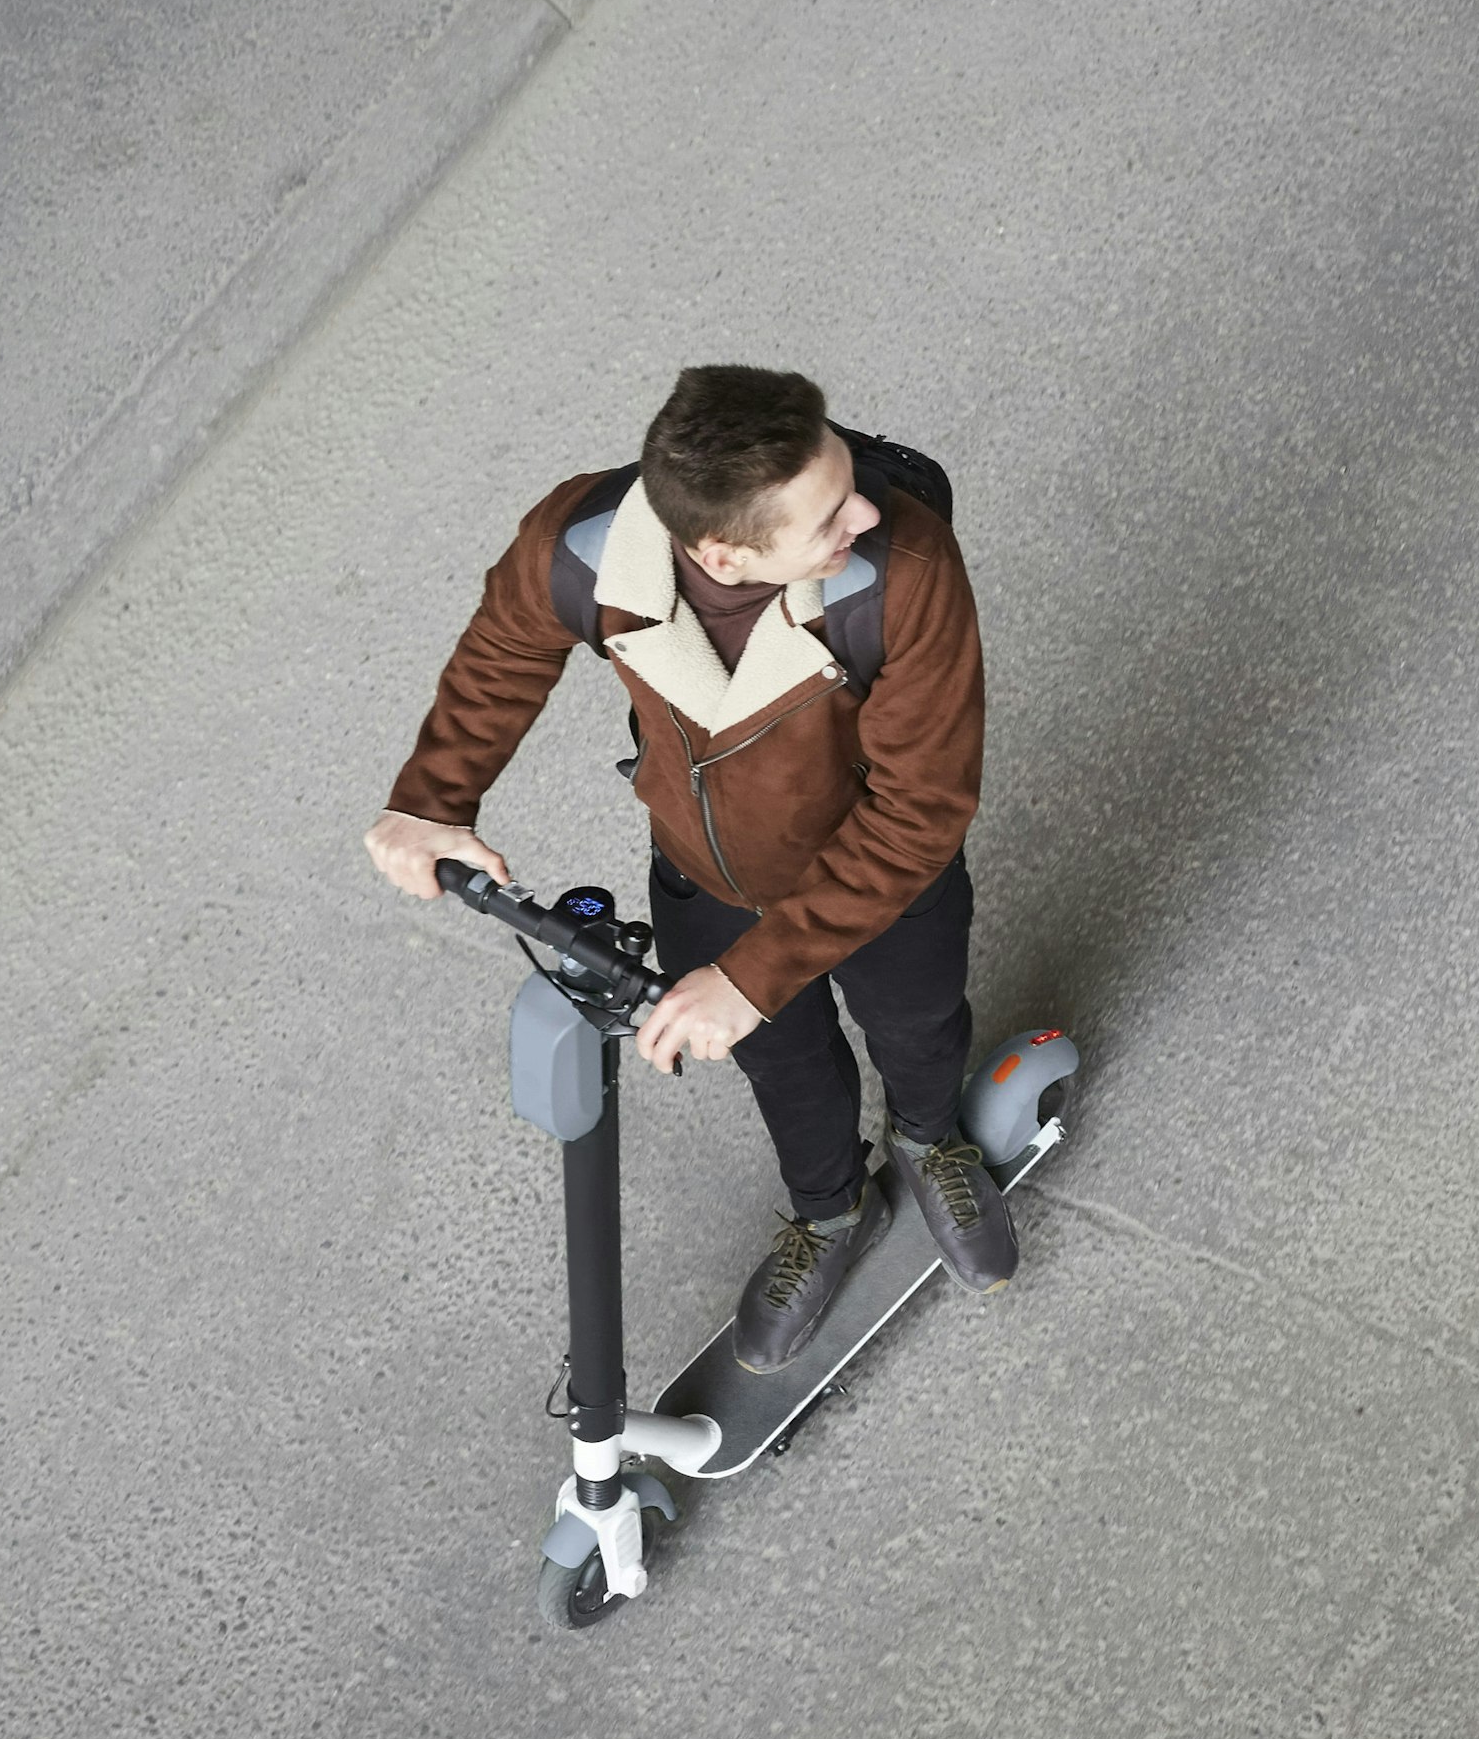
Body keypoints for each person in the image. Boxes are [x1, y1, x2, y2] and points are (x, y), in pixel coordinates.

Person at [363, 364, 1015, 1373]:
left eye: (846, 476)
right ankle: (828, 1209)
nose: (869, 512)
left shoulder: (905, 573)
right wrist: (429, 802)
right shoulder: (580, 548)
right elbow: (502, 653)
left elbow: (920, 812)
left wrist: (753, 977)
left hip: (888, 881)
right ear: (720, 550)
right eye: (830, 514)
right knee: (784, 1066)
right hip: (706, 880)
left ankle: (932, 1142)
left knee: (917, 1022)